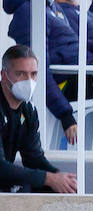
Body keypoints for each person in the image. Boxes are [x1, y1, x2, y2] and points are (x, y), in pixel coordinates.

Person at [3, 0, 78, 144]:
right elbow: (38, 71)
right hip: (70, 83)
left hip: (83, 74)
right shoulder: (30, 12)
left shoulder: (52, 7)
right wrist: (66, 115)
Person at [1, 44, 77, 193]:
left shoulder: (28, 110)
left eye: (33, 74)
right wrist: (48, 178)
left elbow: (34, 159)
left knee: (61, 189)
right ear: (4, 75)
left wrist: (61, 178)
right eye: (21, 74)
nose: (28, 81)